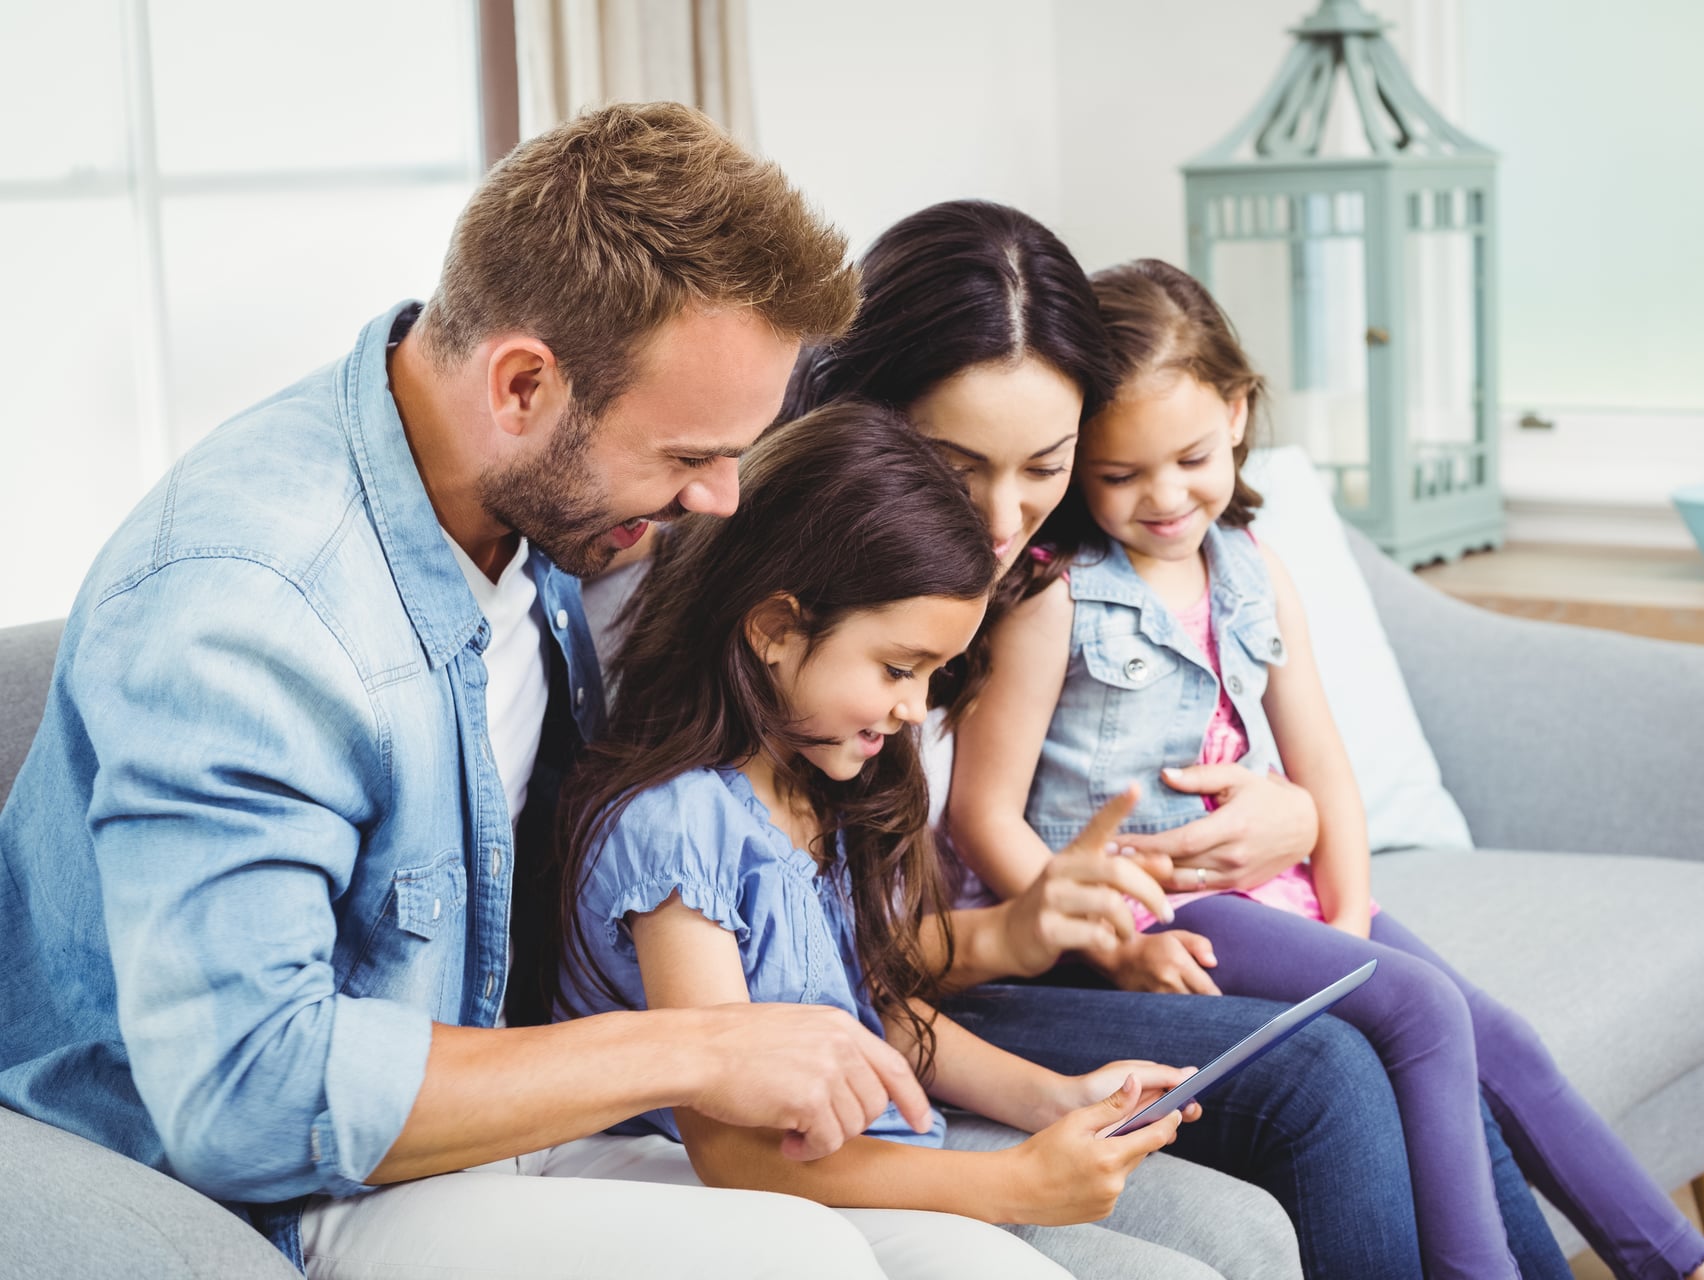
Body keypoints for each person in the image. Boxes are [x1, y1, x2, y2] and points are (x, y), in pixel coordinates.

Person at [0, 103, 1060, 1280]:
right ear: (521, 387)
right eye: (689, 455)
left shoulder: (534, 503)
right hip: (290, 1181)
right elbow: (247, 1091)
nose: (717, 499)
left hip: (505, 1127)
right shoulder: (249, 614)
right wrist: (693, 1047)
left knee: (985, 1266)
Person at [781, 199, 1574, 1280]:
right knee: (1335, 1068)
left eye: (1046, 464)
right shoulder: (817, 630)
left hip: (1061, 931)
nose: (1003, 513)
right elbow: (853, 930)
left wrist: (1292, 810)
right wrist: (1066, 932)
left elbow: (1221, 714)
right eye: (958, 463)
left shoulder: (1072, 566)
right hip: (977, 967)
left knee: (1430, 1038)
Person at [945, 256, 1704, 1280]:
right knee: (1422, 1009)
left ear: (1236, 410)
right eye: (1119, 474)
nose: (1165, 495)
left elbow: (1322, 771)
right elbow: (983, 814)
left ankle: (1684, 1263)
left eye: (1188, 456)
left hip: (1279, 887)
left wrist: (1352, 924)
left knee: (1498, 1036)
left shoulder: (1253, 567)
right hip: (1167, 903)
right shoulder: (1059, 599)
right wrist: (1113, 940)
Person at [551, 402, 1297, 1280]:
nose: (914, 709)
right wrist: (1014, 1181)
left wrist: (1057, 1097)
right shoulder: (679, 831)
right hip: (764, 1200)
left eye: (933, 675)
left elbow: (876, 1010)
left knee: (1252, 1236)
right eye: (899, 669)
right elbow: (737, 1156)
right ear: (774, 629)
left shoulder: (820, 779)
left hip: (886, 1153)